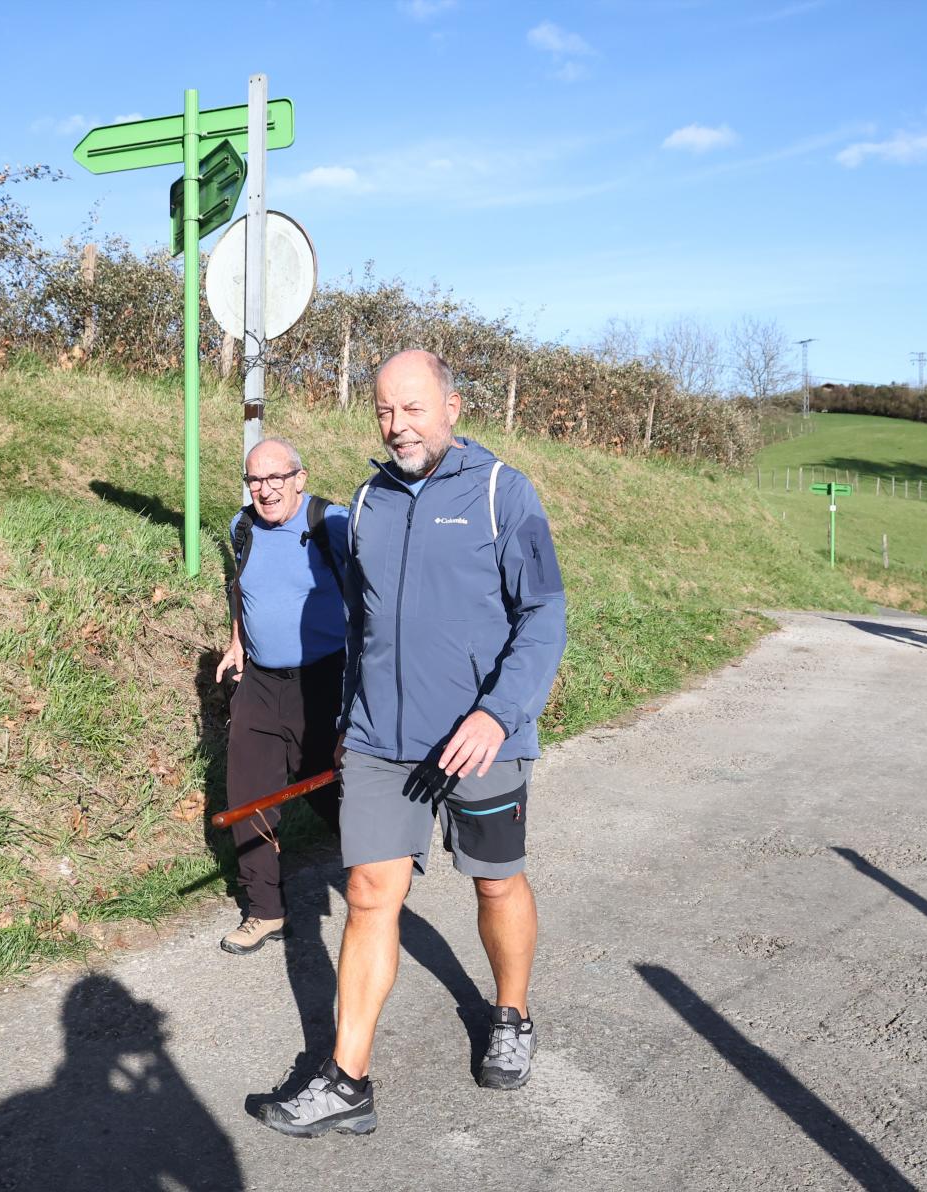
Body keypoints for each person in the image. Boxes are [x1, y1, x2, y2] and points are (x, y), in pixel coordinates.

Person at [251, 350, 567, 1138]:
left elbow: (544, 616)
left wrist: (497, 714)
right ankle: (346, 1080)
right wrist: (347, 720)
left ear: (452, 407)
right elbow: (361, 624)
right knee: (368, 895)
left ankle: (511, 1014)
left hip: (480, 740)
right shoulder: (367, 502)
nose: (397, 426)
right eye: (385, 410)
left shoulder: (503, 492)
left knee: (495, 884)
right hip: (380, 743)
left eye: (413, 408)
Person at [215, 437, 349, 955]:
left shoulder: (332, 525)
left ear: (300, 478)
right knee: (248, 794)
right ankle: (265, 909)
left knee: (331, 786)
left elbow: (373, 599)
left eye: (276, 478)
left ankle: (378, 864)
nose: (265, 490)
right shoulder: (242, 526)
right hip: (261, 682)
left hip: (324, 680)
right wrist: (237, 641)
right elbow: (241, 589)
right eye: (254, 480)